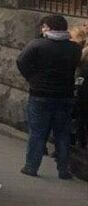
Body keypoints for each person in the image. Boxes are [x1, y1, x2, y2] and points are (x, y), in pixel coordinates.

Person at [17, 13, 80, 179]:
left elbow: (21, 61)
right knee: (62, 133)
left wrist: (32, 78)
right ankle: (63, 170)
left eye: (44, 27)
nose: (42, 29)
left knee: (37, 132)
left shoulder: (37, 45)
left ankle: (31, 166)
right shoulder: (74, 48)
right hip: (65, 94)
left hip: (40, 94)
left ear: (48, 27)